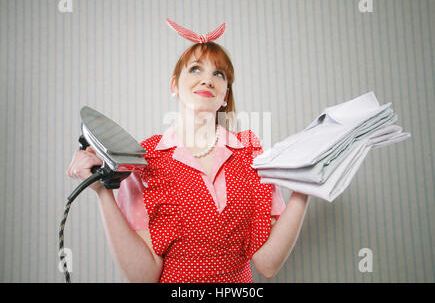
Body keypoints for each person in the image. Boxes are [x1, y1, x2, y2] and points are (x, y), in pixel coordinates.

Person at [66, 19, 311, 283]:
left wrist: (306, 186)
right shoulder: (143, 160)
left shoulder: (250, 153)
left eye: (219, 74)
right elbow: (144, 276)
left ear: (226, 94)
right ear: (174, 85)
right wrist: (104, 193)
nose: (207, 79)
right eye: (195, 69)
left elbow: (267, 264)